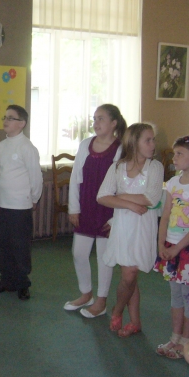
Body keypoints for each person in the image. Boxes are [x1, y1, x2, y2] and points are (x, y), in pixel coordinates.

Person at [96, 123, 163, 337]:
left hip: (144, 226)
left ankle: (127, 316)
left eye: (153, 140)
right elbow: (102, 196)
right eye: (147, 140)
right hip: (124, 225)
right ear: (134, 143)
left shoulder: (155, 167)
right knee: (129, 273)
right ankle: (123, 314)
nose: (153, 144)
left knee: (131, 274)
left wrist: (120, 196)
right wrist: (130, 205)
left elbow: (152, 198)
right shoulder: (118, 167)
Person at [63, 104, 126, 318]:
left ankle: (101, 301)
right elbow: (75, 177)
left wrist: (116, 218)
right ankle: (86, 294)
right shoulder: (85, 145)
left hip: (108, 210)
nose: (96, 123)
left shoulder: (121, 148)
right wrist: (74, 208)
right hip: (86, 206)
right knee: (78, 253)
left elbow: (123, 186)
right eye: (94, 119)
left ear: (114, 123)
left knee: (104, 257)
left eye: (101, 119)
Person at [154, 136, 189, 359]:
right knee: (175, 294)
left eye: (180, 154)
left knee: (188, 294)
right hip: (170, 245)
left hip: (187, 249)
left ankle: (187, 341)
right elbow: (166, 215)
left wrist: (177, 248)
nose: (174, 158)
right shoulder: (173, 183)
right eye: (174, 153)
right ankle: (175, 337)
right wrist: (161, 243)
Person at [0, 105, 43, 301]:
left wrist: (34, 198)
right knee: (3, 244)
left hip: (20, 206)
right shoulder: (1, 146)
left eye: (11, 118)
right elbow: (0, 171)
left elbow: (36, 177)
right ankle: (6, 280)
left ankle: (22, 283)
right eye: (5, 117)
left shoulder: (27, 147)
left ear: (22, 123)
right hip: (2, 203)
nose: (6, 120)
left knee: (20, 245)